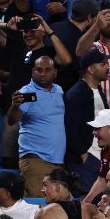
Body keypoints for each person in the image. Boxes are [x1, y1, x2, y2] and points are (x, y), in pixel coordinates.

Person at [9, 55, 66, 197]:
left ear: (55, 72)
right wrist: (15, 107)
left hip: (57, 161)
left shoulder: (59, 90)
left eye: (47, 70)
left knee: (56, 207)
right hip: (35, 160)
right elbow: (12, 120)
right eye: (39, 70)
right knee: (39, 205)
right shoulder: (26, 92)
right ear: (33, 71)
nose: (42, 73)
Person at [64, 48, 109, 193]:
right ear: (90, 69)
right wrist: (83, 155)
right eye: (103, 64)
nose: (107, 67)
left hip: (99, 156)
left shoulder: (99, 91)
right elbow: (70, 128)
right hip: (86, 159)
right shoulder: (76, 94)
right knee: (87, 202)